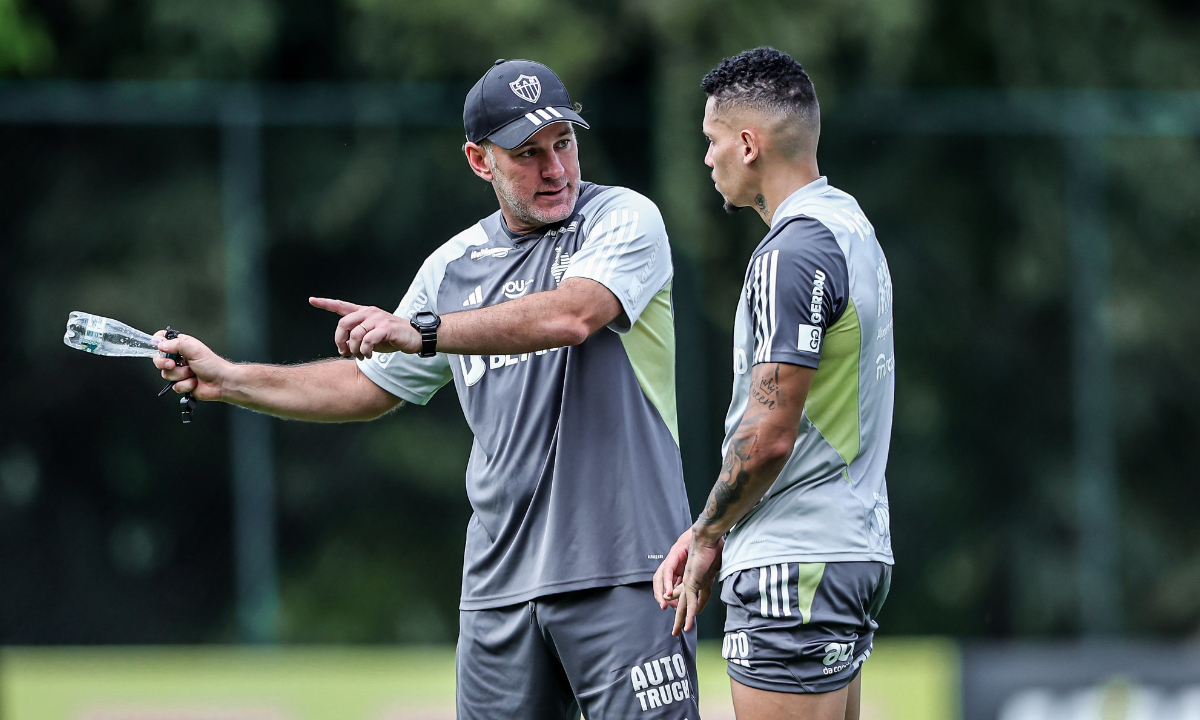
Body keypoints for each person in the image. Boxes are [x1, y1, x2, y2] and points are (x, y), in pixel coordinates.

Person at [156, 59, 698, 720]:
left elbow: (571, 315)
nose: (555, 169)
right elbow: (368, 384)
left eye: (564, 143)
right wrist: (229, 378)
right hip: (498, 586)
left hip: (625, 572)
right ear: (479, 161)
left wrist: (426, 331)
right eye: (527, 154)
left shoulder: (622, 219)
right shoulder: (452, 267)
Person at [652, 47, 896, 720]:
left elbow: (766, 436)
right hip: (848, 552)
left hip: (796, 564)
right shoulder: (853, 230)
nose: (707, 159)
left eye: (712, 141)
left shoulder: (790, 251)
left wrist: (706, 536)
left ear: (750, 144)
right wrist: (716, 527)